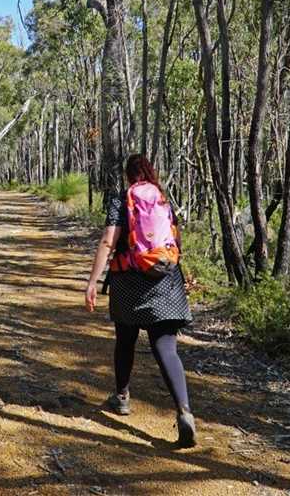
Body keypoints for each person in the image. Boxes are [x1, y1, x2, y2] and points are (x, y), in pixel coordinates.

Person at [84, 153, 196, 447]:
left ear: (128, 176)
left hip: (129, 281)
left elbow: (109, 240)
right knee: (166, 346)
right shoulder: (162, 199)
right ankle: (184, 411)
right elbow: (175, 242)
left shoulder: (122, 200)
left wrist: (93, 282)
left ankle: (121, 397)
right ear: (149, 172)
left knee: (125, 339)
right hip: (166, 280)